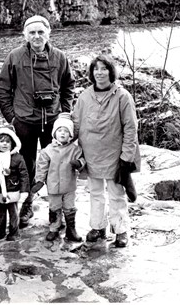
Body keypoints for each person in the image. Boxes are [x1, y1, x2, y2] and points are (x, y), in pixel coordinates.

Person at [0, 15, 76, 228]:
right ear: (25, 35)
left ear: (48, 33)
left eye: (41, 32)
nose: (37, 36)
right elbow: (2, 89)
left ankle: (56, 209)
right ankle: (28, 203)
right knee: (27, 165)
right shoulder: (15, 57)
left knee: (56, 165)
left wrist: (64, 114)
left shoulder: (59, 57)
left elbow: (69, 86)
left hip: (53, 121)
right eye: (32, 33)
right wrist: (11, 117)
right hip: (24, 120)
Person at [72, 55, 141, 248]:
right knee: (95, 192)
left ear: (111, 72)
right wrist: (66, 143)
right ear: (91, 73)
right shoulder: (84, 96)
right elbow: (76, 122)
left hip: (114, 154)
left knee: (116, 192)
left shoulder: (123, 96)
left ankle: (120, 230)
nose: (99, 73)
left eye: (104, 69)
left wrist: (127, 156)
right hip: (90, 153)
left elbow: (130, 127)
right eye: (96, 69)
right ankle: (97, 227)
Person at [31, 112, 85, 242]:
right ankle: (54, 228)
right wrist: (39, 181)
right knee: (54, 207)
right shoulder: (47, 151)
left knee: (69, 207)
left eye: (66, 131)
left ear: (70, 135)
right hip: (53, 185)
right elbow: (42, 166)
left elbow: (82, 161)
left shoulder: (75, 149)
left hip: (69, 186)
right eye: (60, 130)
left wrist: (79, 163)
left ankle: (71, 230)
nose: (62, 133)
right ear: (54, 133)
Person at [0, 125, 30, 241]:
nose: (5, 144)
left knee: (13, 213)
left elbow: (23, 174)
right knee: (0, 212)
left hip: (13, 188)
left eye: (8, 142)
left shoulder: (17, 158)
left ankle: (14, 232)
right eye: (1, 141)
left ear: (13, 143)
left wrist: (24, 190)